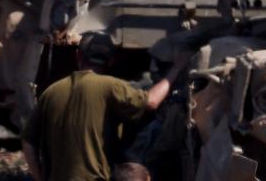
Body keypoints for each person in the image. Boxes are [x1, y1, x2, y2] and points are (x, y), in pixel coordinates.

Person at [21, 31, 187, 181]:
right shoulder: (111, 86)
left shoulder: (51, 92)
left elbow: (28, 142)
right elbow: (151, 102)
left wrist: (40, 177)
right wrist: (176, 69)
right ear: (111, 61)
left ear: (78, 56)